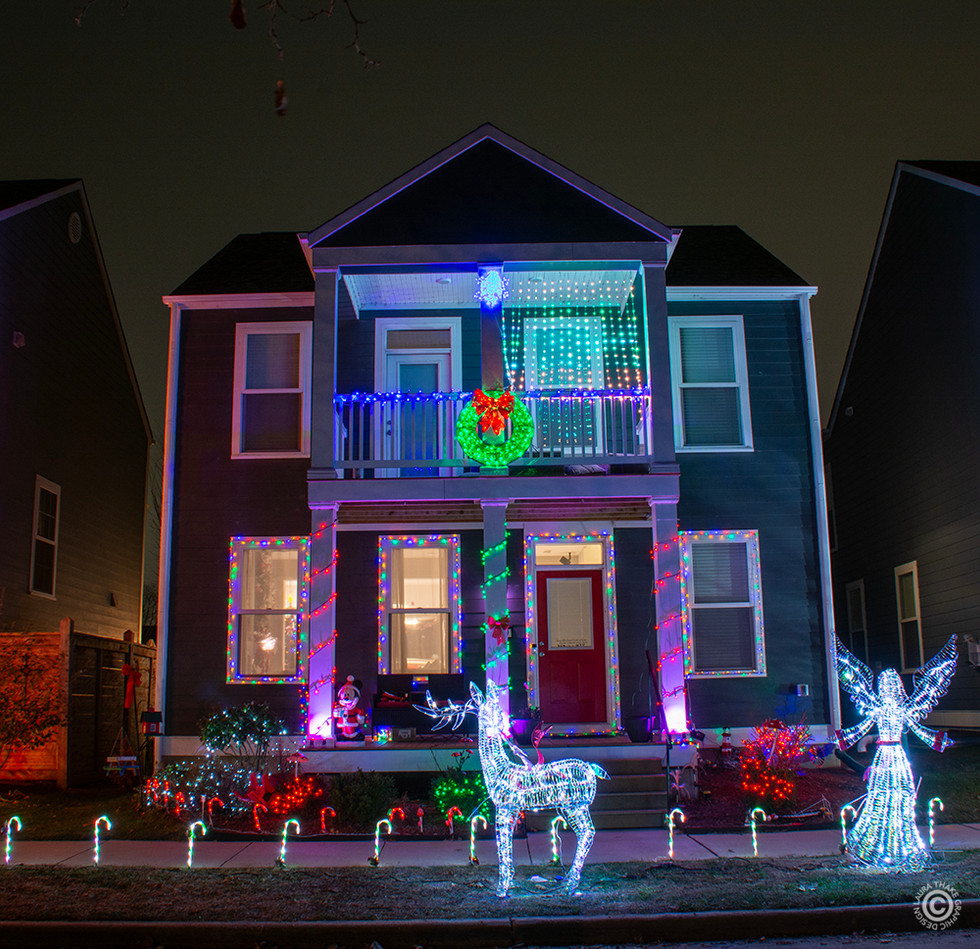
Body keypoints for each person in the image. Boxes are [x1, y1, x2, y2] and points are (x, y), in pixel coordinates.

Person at [835, 635, 956, 871]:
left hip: (896, 757)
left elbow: (919, 730)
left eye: (892, 685)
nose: (888, 689)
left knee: (901, 796)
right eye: (885, 685)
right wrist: (843, 738)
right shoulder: (877, 709)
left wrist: (937, 740)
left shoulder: (903, 710)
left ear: (897, 687)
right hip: (885, 755)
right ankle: (872, 846)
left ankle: (902, 846)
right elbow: (860, 729)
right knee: (879, 798)